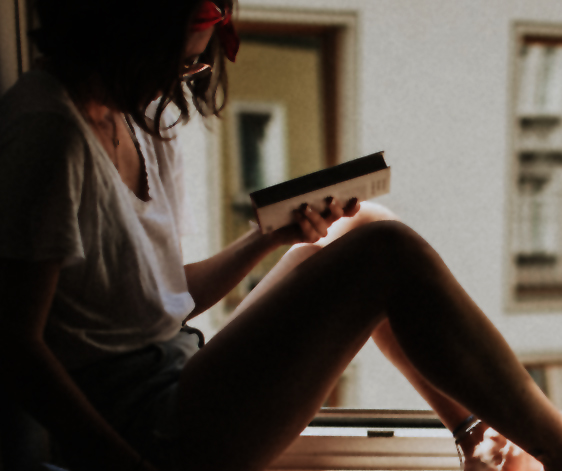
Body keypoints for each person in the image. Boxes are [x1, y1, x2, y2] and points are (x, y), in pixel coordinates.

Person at [0, 1, 560, 470]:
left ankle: (477, 441)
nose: (179, 82)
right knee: (387, 256)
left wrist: (266, 240)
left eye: (193, 67)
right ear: (128, 31)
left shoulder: (135, 119)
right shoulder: (50, 136)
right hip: (147, 428)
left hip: (176, 372)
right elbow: (16, 346)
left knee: (362, 225)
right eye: (179, 63)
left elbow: (163, 300)